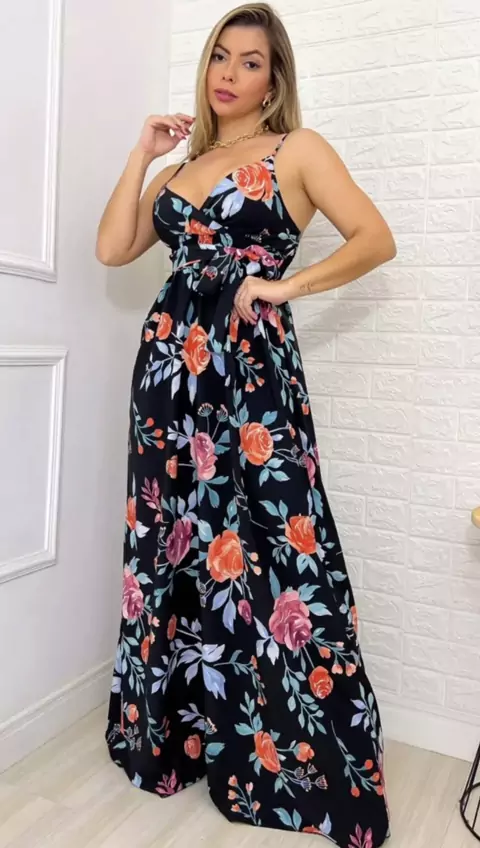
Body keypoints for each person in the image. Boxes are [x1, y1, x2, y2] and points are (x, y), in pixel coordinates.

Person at [96, 3, 396, 846]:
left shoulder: (296, 150)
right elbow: (114, 248)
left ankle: (297, 760)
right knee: (171, 545)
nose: (229, 73)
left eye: (251, 61)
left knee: (276, 547)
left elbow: (374, 238)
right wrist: (143, 153)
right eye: (220, 56)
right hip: (168, 376)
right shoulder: (186, 164)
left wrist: (283, 287)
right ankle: (178, 737)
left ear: (274, 79)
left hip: (249, 373)